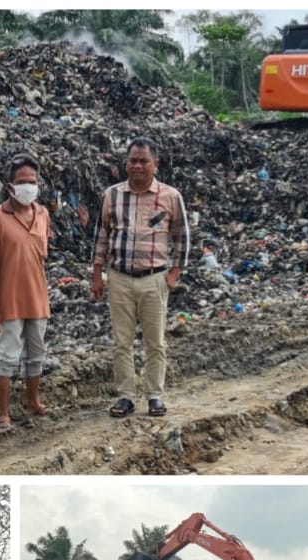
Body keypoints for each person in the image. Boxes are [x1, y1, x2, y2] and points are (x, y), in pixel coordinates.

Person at [91, 136, 190, 419]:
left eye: (143, 161)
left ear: (155, 164)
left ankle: (154, 395)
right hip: (119, 277)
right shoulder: (112, 195)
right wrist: (97, 275)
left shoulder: (170, 196)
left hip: (154, 278)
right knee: (121, 341)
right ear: (126, 164)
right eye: (132, 160)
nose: (137, 166)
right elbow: (101, 236)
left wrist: (175, 273)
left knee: (155, 341)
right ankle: (126, 396)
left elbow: (182, 236)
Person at [0, 153, 51, 435]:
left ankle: (33, 402)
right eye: (22, 182)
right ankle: (3, 413)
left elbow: (41, 256)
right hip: (8, 300)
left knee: (36, 354)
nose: (27, 187)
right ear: (10, 186)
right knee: (7, 357)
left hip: (37, 297)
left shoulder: (42, 214)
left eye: (32, 181)